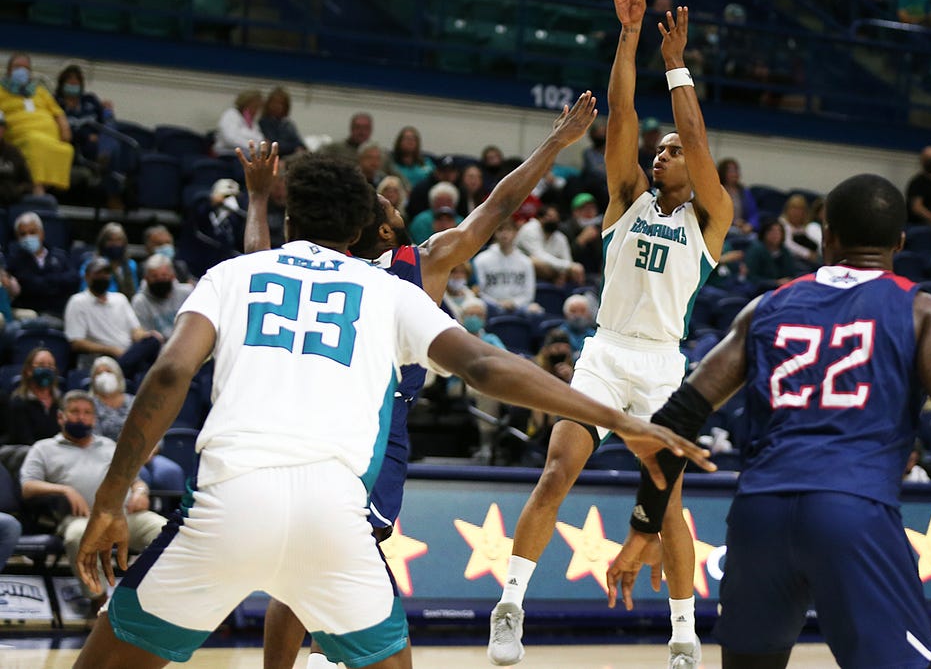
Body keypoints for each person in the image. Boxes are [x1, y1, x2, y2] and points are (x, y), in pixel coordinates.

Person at [67, 151, 708, 669]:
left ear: (292, 220)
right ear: (359, 230)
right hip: (334, 515)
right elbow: (486, 365)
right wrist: (622, 418)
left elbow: (171, 373)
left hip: (228, 501)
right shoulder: (388, 288)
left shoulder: (237, 273)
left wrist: (109, 502)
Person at [602, 172, 931, 669]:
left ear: (827, 235)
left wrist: (645, 526)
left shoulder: (767, 306)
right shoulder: (922, 310)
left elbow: (678, 416)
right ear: (900, 243)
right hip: (852, 511)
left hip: (759, 515)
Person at [241, 91, 602, 669]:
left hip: (371, 423)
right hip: (354, 428)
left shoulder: (409, 262)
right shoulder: (415, 264)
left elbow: (497, 205)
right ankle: (341, 652)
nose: (391, 202)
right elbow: (492, 209)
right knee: (330, 568)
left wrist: (554, 145)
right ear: (382, 233)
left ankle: (317, 654)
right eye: (385, 204)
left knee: (303, 565)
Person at [487, 0, 736, 669]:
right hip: (605, 353)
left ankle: (684, 635)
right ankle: (511, 603)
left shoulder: (712, 217)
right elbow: (621, 118)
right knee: (558, 469)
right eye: (658, 151)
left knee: (667, 501)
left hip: (661, 364)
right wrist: (628, 35)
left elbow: (694, 129)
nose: (662, 152)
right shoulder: (626, 196)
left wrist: (675, 63)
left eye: (672, 150)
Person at [21, 390, 167, 616]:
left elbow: (135, 480)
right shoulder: (44, 448)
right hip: (82, 518)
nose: (81, 417)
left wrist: (140, 491)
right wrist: (64, 489)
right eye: (75, 412)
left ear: (94, 419)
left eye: (87, 413)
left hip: (124, 515)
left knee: (165, 532)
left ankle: (150, 599)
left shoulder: (108, 445)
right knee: (77, 536)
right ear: (61, 417)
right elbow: (28, 486)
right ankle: (99, 602)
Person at [64, 257, 164, 375]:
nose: (103, 277)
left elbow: (136, 330)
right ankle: (118, 371)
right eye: (98, 274)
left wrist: (145, 335)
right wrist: (110, 349)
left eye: (106, 273)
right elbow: (76, 343)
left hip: (130, 353)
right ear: (87, 277)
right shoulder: (78, 301)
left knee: (153, 341)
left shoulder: (120, 299)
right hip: (103, 358)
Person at [1, 53, 73, 193]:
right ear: (9, 70)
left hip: (50, 137)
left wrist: (65, 129)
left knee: (66, 149)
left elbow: (58, 113)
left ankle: (45, 188)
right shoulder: (1, 91)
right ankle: (36, 190)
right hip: (20, 136)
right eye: (17, 67)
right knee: (35, 142)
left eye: (26, 68)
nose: (22, 71)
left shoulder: (40, 92)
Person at [8, 211, 74, 316]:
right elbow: (29, 285)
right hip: (30, 313)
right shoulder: (14, 260)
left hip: (58, 312)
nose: (28, 237)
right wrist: (55, 281)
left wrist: (44, 281)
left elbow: (72, 279)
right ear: (17, 238)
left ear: (42, 234)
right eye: (23, 234)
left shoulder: (60, 256)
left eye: (32, 232)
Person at [471, 218, 539, 314]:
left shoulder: (526, 261)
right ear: (495, 233)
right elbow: (479, 291)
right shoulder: (481, 260)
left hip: (519, 307)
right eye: (500, 230)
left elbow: (529, 294)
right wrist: (497, 303)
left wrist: (514, 303)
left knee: (535, 310)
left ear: (515, 233)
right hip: (491, 307)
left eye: (508, 230)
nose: (504, 234)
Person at [6, 348, 63, 444]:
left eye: (50, 366)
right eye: (41, 365)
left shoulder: (61, 400)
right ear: (29, 370)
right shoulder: (18, 402)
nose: (46, 369)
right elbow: (24, 440)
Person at [131, 254, 193, 339]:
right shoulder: (140, 301)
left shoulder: (187, 293)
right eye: (154, 277)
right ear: (146, 278)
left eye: (164, 276)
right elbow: (144, 335)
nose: (160, 279)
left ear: (172, 276)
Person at [214, 89, 264, 155]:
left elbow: (259, 137)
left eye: (258, 107)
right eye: (254, 106)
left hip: (247, 152)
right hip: (227, 153)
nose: (256, 110)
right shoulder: (231, 114)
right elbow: (230, 139)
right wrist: (255, 146)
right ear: (245, 103)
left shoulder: (251, 120)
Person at [387, 126, 433, 191]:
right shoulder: (390, 162)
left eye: (413, 139)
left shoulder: (427, 162)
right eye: (407, 139)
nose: (410, 142)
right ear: (399, 142)